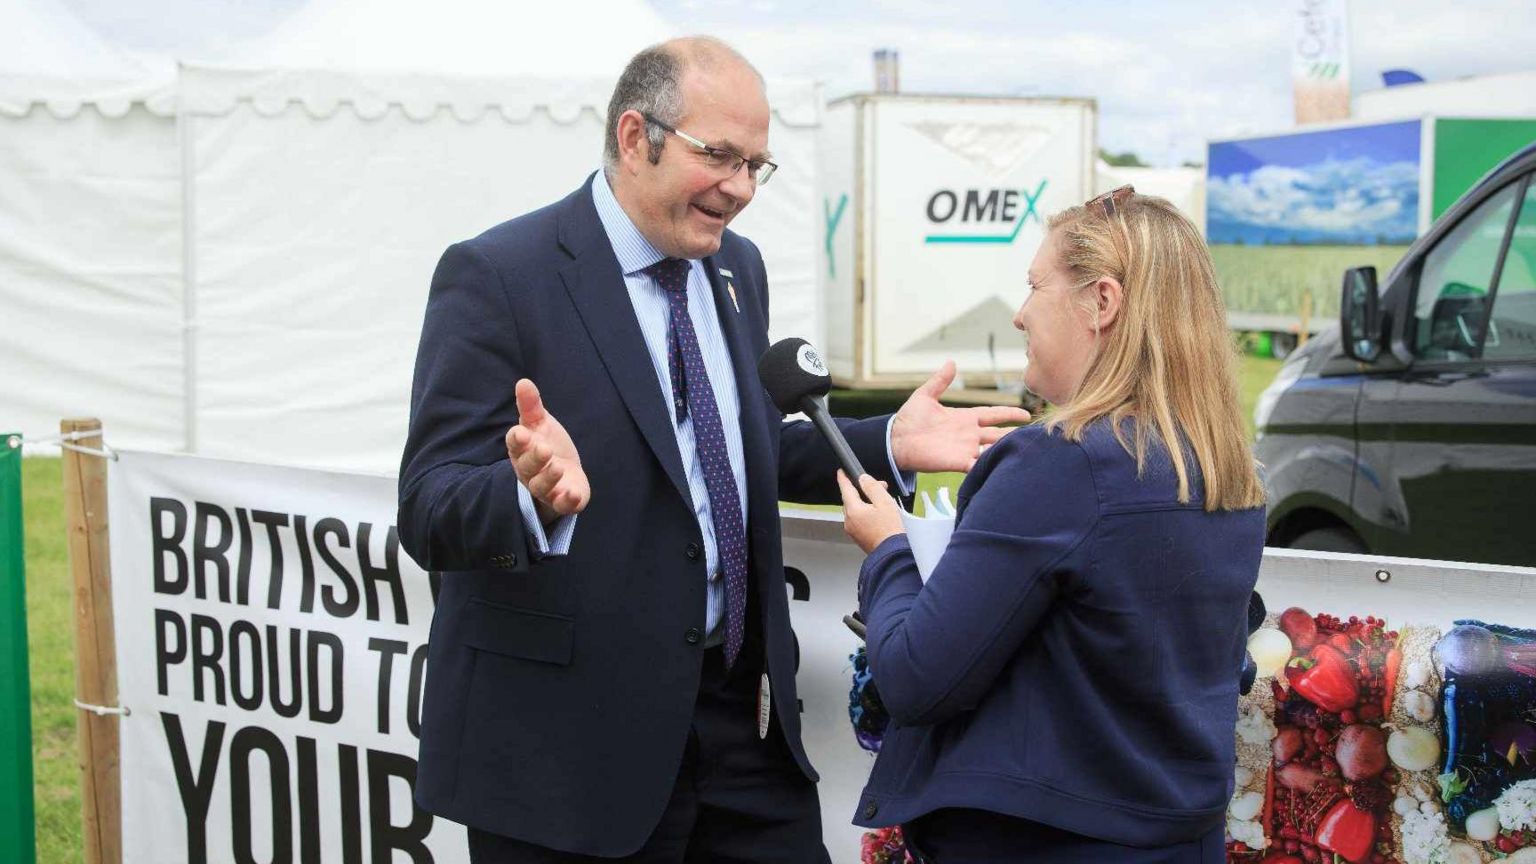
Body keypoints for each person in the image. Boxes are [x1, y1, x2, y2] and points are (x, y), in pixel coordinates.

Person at [397, 36, 1028, 863]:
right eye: (720, 156)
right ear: (635, 137)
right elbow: (428, 504)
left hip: (746, 733)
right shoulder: (499, 275)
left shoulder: (738, 269)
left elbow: (742, 452)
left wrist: (886, 444)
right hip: (571, 754)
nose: (739, 188)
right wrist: (528, 494)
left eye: (756, 165)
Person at [838, 186, 1266, 863]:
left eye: (1036, 286)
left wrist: (889, 549)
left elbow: (918, 678)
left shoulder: (1061, 467)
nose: (1019, 314)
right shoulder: (1220, 467)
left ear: (1103, 302)